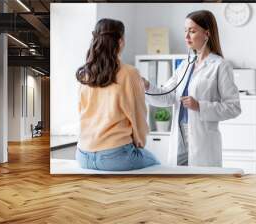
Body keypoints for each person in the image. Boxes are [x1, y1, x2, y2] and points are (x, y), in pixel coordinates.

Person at [142, 10, 241, 167]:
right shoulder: (185, 64)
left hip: (202, 140)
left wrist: (200, 106)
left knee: (201, 186)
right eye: (185, 31)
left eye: (192, 31)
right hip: (179, 135)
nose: (186, 36)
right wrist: (146, 85)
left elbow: (233, 107)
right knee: (178, 185)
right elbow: (167, 96)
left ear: (207, 34)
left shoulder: (220, 65)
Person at [75, 18, 160, 171]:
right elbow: (138, 115)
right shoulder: (130, 73)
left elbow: (81, 111)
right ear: (120, 41)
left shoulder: (85, 74)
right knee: (156, 163)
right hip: (115, 156)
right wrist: (139, 143)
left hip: (82, 155)